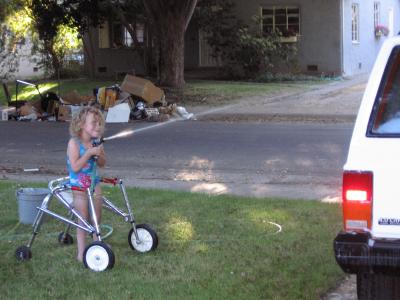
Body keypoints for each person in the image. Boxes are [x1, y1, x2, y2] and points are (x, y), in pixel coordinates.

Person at [66, 106, 106, 262]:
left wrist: (99, 153)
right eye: (94, 123)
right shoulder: (74, 143)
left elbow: (102, 163)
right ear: (81, 124)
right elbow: (75, 167)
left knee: (96, 218)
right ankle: (81, 253)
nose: (98, 126)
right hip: (79, 186)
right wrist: (89, 153)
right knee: (83, 219)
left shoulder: (96, 142)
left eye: (100, 123)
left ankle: (98, 245)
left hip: (94, 183)